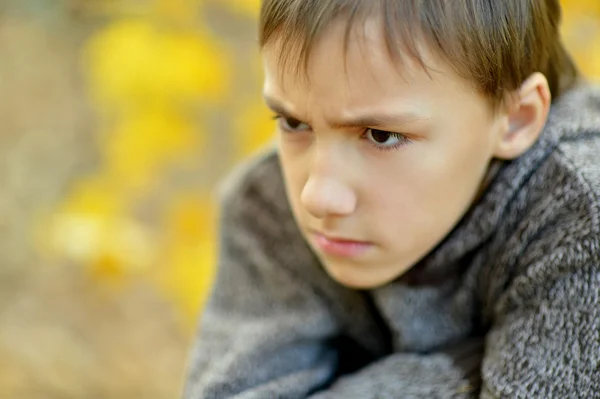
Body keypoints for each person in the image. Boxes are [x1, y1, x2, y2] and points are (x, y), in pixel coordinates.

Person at [184, 1, 600, 397]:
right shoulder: (266, 204)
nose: (317, 197)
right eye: (294, 123)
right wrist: (459, 374)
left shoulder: (581, 214)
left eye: (381, 135)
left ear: (515, 119)